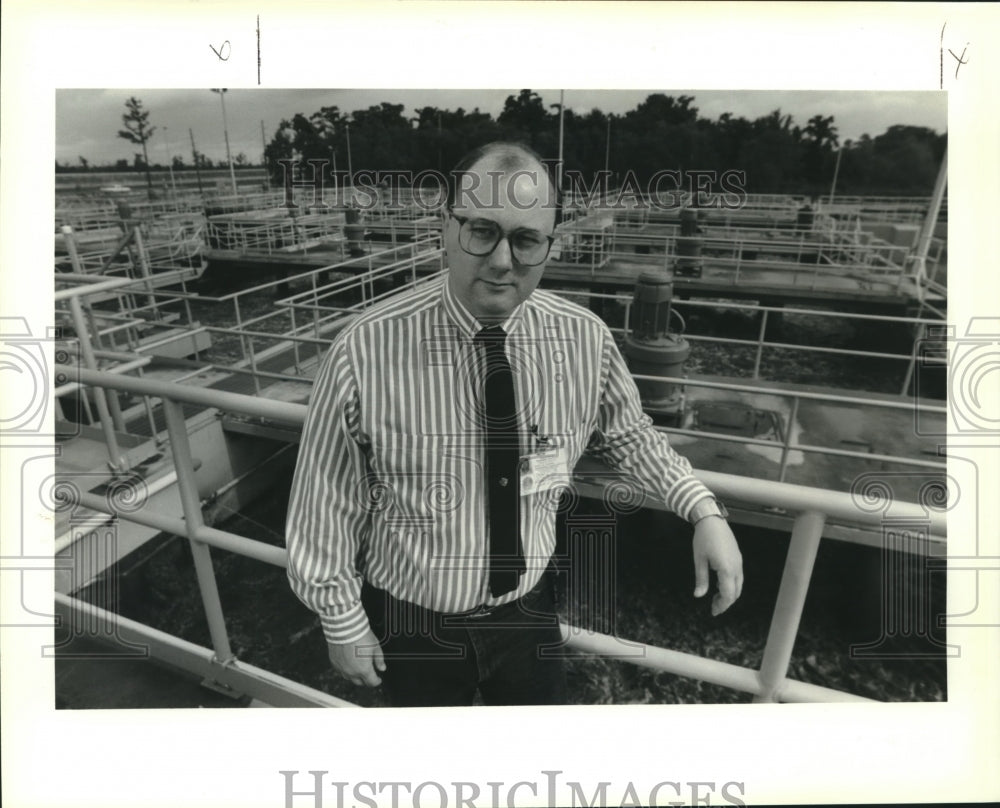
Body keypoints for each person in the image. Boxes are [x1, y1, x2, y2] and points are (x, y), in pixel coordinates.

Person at [286, 141, 743, 706]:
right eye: (481, 230)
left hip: (529, 614)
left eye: (526, 239)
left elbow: (629, 435)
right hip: (411, 623)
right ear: (445, 229)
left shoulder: (583, 340)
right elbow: (327, 495)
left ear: (550, 246)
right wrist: (340, 618)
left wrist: (701, 509)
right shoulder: (366, 349)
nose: (503, 260)